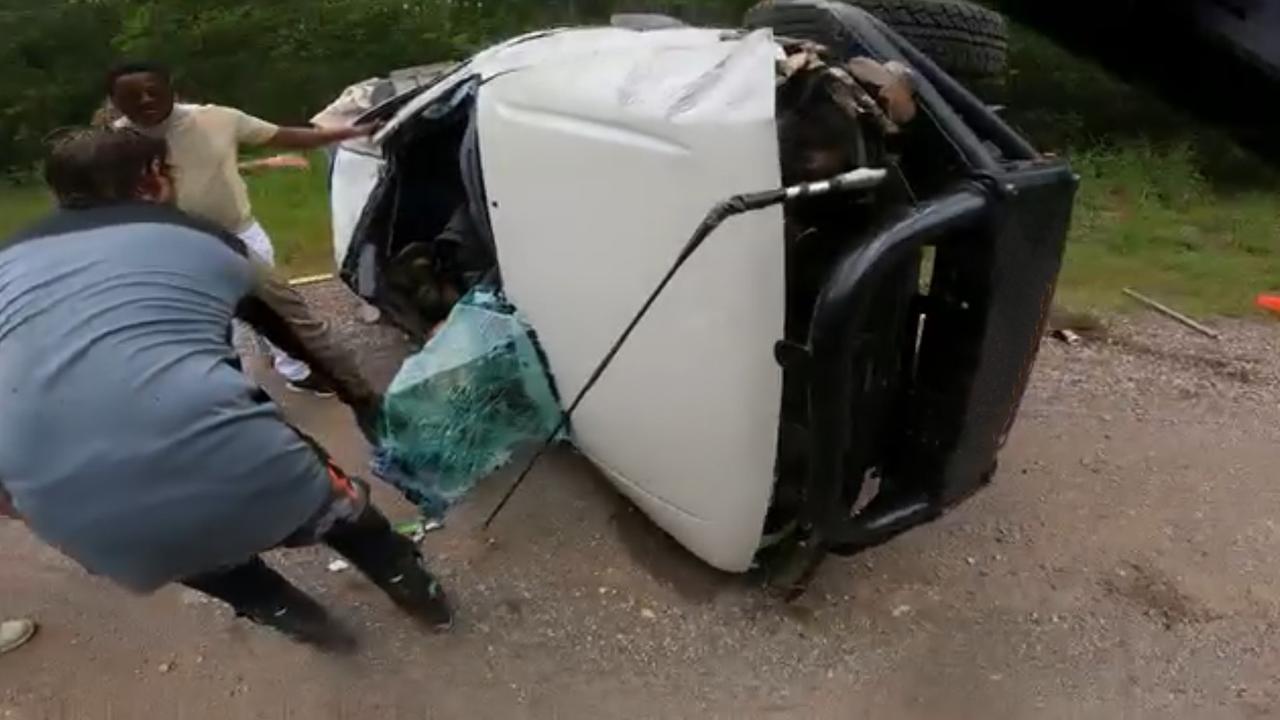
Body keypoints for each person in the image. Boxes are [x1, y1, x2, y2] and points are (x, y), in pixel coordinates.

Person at [0, 128, 451, 652]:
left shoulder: (7, 263)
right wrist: (367, 405)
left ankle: (312, 629)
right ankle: (420, 598)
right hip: (229, 453)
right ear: (153, 181)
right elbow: (304, 336)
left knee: (215, 568)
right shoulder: (204, 240)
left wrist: (36, 504)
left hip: (81, 519)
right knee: (350, 521)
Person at [105, 60, 377, 396]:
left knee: (282, 308)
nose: (146, 100)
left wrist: (349, 132)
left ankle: (298, 369)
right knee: (207, 322)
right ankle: (229, 389)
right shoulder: (110, 145)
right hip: (170, 249)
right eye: (133, 95)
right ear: (115, 101)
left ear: (170, 88)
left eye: (152, 90)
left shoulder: (217, 119)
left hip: (240, 234)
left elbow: (286, 136)